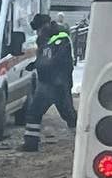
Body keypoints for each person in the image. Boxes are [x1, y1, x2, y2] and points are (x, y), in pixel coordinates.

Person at [22, 16, 77, 152]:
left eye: (39, 29)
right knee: (68, 115)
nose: (37, 32)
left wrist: (39, 65)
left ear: (45, 26)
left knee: (35, 113)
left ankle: (31, 144)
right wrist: (35, 64)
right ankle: (31, 143)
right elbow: (46, 59)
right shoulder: (46, 39)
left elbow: (53, 61)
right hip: (53, 82)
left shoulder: (60, 38)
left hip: (55, 83)